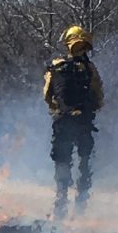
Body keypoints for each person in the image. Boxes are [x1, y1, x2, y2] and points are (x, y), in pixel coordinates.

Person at [43, 25, 104, 220]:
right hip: (84, 121)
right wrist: (88, 110)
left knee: (62, 162)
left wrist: (59, 110)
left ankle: (61, 203)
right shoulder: (89, 68)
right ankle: (81, 204)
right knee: (84, 161)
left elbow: (47, 95)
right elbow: (99, 96)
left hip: (63, 122)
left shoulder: (56, 66)